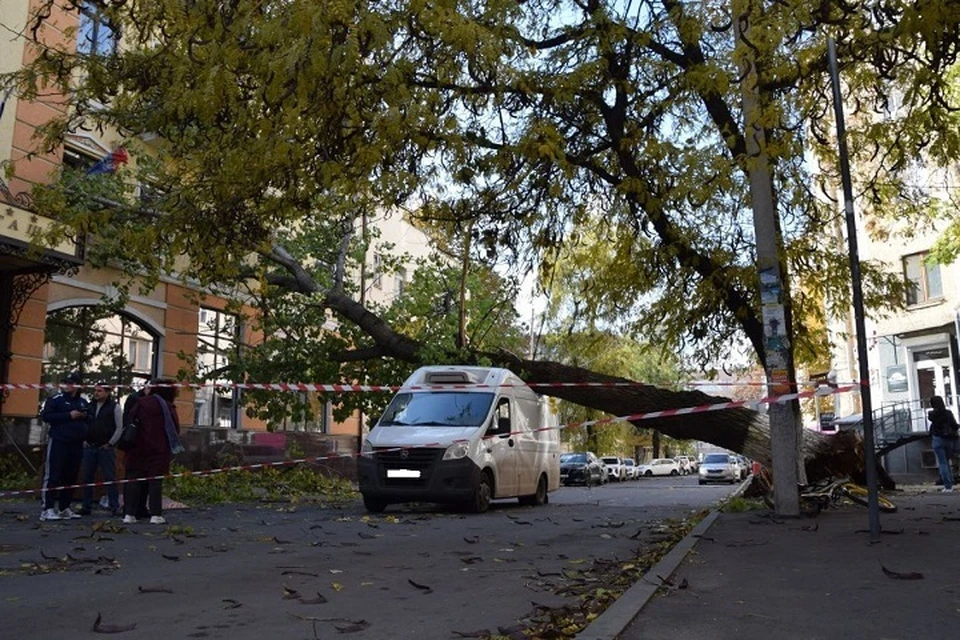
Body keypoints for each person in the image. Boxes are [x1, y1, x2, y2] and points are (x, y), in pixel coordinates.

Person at [122, 378, 182, 524]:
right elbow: (175, 429)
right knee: (155, 482)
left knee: (133, 481)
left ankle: (129, 514)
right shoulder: (168, 407)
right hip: (159, 449)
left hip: (138, 447)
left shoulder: (141, 403)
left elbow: (130, 421)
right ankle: (155, 515)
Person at [39, 371, 91, 520]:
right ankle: (47, 508)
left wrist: (84, 416)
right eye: (65, 382)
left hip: (76, 443)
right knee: (53, 475)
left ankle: (64, 507)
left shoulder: (82, 402)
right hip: (59, 442)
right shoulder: (56, 400)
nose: (67, 385)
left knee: (71, 476)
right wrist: (69, 415)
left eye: (70, 383)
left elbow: (90, 418)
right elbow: (47, 416)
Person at [78, 382, 123, 516]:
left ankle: (114, 505)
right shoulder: (89, 406)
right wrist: (84, 439)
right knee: (87, 477)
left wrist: (110, 443)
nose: (97, 393)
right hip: (90, 446)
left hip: (105, 448)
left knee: (110, 477)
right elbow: (83, 423)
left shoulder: (114, 407)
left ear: (108, 392)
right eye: (96, 390)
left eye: (100, 391)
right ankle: (86, 506)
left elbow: (119, 427)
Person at [928, 395, 959, 493]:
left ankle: (948, 486)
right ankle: (950, 483)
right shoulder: (948, 413)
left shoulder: (932, 414)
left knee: (942, 463)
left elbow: (933, 422)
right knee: (947, 461)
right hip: (949, 439)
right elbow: (955, 425)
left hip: (937, 439)